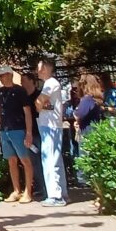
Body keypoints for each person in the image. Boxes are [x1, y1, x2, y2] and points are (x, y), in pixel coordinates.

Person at [0, 66, 36, 204]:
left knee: (25, 160)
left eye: (2, 75)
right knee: (11, 161)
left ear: (9, 75)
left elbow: (27, 112)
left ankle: (28, 191)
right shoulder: (0, 92)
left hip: (18, 129)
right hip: (5, 130)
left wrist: (28, 133)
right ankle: (17, 190)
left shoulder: (20, 91)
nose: (0, 78)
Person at [35, 58, 68, 207]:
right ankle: (62, 193)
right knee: (55, 158)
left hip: (50, 126)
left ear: (47, 68)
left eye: (40, 68)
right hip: (51, 125)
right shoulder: (50, 84)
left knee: (49, 159)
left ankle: (55, 196)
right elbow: (44, 105)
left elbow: (39, 103)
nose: (38, 71)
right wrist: (42, 105)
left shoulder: (50, 83)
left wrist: (41, 105)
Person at [71, 74, 107, 186]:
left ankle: (84, 181)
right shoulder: (97, 99)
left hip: (87, 131)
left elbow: (79, 114)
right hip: (96, 129)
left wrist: (74, 114)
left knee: (85, 156)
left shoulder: (87, 99)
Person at [19, 72, 46, 200]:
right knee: (33, 162)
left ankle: (46, 188)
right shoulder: (23, 97)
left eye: (23, 80)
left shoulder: (39, 95)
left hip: (40, 132)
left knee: (42, 160)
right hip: (29, 133)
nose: (21, 83)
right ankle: (41, 188)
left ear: (31, 81)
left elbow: (48, 109)